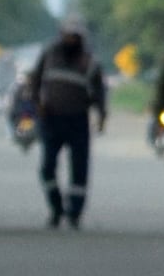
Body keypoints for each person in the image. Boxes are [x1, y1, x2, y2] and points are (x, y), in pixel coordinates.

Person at [25, 19, 108, 226]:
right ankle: (56, 207)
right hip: (51, 118)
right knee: (47, 167)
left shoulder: (90, 62)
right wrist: (37, 103)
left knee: (79, 168)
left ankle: (75, 213)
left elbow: (99, 93)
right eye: (66, 35)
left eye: (74, 36)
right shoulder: (49, 55)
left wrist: (102, 116)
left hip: (78, 119)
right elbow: (34, 81)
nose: (69, 39)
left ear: (80, 38)